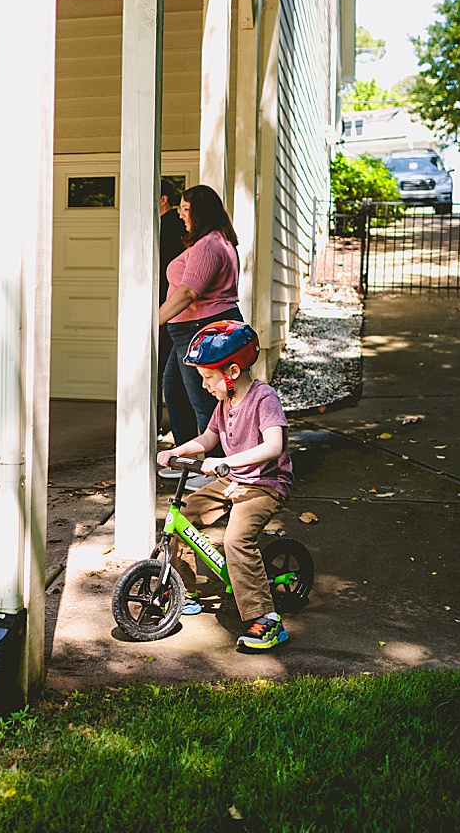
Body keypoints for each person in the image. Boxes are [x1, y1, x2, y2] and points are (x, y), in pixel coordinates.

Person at [156, 320, 295, 652]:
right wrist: (177, 450)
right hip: (233, 479)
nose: (204, 386)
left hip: (265, 483)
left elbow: (273, 446)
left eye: (208, 378)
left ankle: (268, 621)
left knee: (236, 540)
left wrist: (226, 463)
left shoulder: (263, 398)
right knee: (183, 516)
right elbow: (208, 438)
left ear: (232, 371)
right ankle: (185, 592)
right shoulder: (224, 403)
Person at [157, 184, 242, 489]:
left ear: (201, 212)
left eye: (187, 210)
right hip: (190, 331)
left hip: (200, 331)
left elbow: (189, 292)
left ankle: (217, 472)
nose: (182, 216)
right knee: (175, 392)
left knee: (205, 402)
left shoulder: (209, 245)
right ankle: (188, 462)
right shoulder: (220, 241)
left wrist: (152, 321)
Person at [157, 183, 185, 436]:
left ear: (163, 198)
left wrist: (159, 315)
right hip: (167, 309)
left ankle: (154, 423)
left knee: (164, 372)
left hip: (169, 309)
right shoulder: (169, 226)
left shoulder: (171, 228)